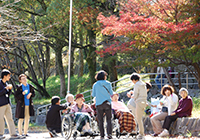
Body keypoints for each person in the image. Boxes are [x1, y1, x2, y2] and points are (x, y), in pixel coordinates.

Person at [92, 70, 113, 139]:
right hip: (107, 103)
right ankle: (109, 134)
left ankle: (102, 135)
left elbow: (93, 94)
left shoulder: (95, 84)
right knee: (109, 120)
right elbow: (111, 93)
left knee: (100, 120)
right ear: (104, 76)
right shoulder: (108, 83)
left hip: (99, 104)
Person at [0, 69, 21, 139]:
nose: (9, 77)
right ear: (4, 76)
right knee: (1, 119)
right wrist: (6, 88)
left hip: (7, 103)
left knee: (10, 119)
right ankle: (0, 134)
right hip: (1, 104)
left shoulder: (6, 83)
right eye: (8, 76)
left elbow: (7, 94)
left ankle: (13, 133)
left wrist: (9, 90)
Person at [126, 73, 147, 140]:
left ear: (134, 80)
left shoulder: (137, 84)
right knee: (139, 118)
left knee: (138, 118)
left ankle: (141, 134)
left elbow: (135, 96)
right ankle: (141, 133)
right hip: (144, 102)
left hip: (139, 102)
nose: (132, 82)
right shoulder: (143, 84)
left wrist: (130, 96)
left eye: (132, 80)